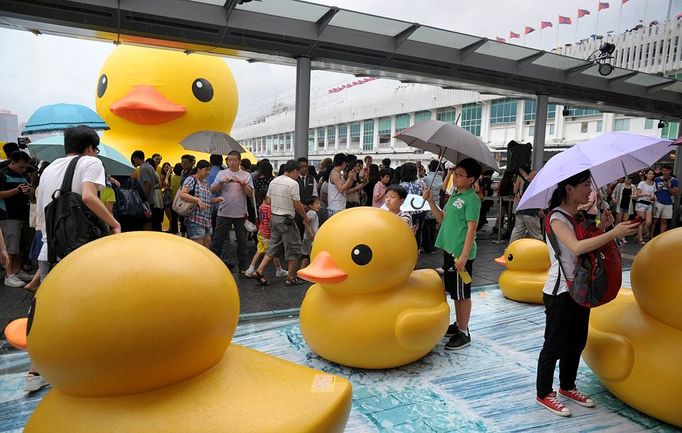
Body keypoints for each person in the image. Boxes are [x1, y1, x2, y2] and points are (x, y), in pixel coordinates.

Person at [535, 169, 639, 416]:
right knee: (554, 344)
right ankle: (543, 393)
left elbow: (587, 239)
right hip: (560, 291)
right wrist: (612, 233)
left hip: (581, 289)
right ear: (569, 189)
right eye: (584, 185)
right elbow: (576, 246)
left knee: (577, 341)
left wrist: (604, 226)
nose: (589, 190)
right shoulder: (557, 218)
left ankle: (567, 386)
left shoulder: (576, 216)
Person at [32, 125, 121, 392]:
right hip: (81, 251)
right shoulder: (91, 162)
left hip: (50, 248)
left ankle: (36, 371)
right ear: (92, 147)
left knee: (48, 310)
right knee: (94, 306)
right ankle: (95, 366)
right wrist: (114, 224)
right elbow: (88, 197)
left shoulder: (48, 169)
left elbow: (40, 211)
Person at [423, 158, 482, 351]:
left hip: (460, 254)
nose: (455, 177)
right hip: (449, 250)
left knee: (462, 293)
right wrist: (431, 201)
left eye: (459, 174)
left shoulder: (472, 200)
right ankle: (459, 325)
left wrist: (464, 256)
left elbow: (472, 230)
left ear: (471, 179)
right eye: (455, 173)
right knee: (455, 291)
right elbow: (442, 219)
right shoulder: (455, 195)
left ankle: (463, 332)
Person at [251, 159, 311, 286]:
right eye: (298, 172)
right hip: (286, 220)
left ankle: (259, 271)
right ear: (295, 170)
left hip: (275, 218)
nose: (298, 175)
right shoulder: (293, 183)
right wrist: (305, 217)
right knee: (294, 248)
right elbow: (297, 204)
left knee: (273, 247)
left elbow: (268, 200)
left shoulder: (274, 181)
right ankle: (291, 277)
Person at [210, 151, 254, 273]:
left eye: (234, 160)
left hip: (240, 213)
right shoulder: (221, 173)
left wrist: (243, 184)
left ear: (240, 161)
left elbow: (250, 194)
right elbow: (212, 190)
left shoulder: (246, 175)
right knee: (218, 240)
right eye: (229, 160)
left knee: (242, 242)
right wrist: (221, 182)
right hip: (223, 212)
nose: (232, 163)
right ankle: (212, 265)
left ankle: (244, 267)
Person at [0, 151, 33, 287]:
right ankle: (9, 275)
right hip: (8, 216)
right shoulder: (2, 173)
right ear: (12, 162)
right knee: (10, 247)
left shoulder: (25, 174)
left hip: (24, 214)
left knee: (21, 246)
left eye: (25, 167)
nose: (24, 169)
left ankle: (17, 271)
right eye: (21, 167)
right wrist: (17, 190)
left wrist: (30, 191)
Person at [180, 160, 223, 247]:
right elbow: (183, 194)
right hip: (195, 219)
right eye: (206, 170)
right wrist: (197, 200)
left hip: (206, 219)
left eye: (209, 170)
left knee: (207, 242)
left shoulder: (205, 182)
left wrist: (217, 199)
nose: (208, 172)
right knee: (199, 247)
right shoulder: (191, 179)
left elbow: (207, 199)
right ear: (199, 169)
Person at [244, 196, 288, 278]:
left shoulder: (261, 207)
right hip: (268, 234)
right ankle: (278, 270)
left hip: (261, 233)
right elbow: (271, 219)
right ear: (265, 197)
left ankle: (251, 268)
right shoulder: (268, 208)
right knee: (273, 253)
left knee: (259, 251)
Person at [508, 164, 543, 244]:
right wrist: (540, 209)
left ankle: (510, 250)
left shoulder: (526, 183)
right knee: (536, 236)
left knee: (517, 233)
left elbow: (515, 191)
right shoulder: (536, 185)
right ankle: (541, 252)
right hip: (531, 213)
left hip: (521, 210)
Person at [421, 160, 444, 253]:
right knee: (433, 226)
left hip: (428, 203)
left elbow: (423, 188)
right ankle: (433, 245)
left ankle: (427, 246)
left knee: (426, 227)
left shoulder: (427, 179)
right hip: (436, 203)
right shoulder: (440, 178)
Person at [651, 165, 678, 237]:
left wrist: (668, 187)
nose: (665, 172)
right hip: (658, 201)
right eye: (663, 170)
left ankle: (661, 238)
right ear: (661, 171)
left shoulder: (674, 180)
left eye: (667, 170)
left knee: (664, 221)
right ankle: (651, 237)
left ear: (670, 171)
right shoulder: (656, 179)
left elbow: (675, 193)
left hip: (668, 203)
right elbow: (653, 190)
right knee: (654, 220)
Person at [634, 168, 656, 245]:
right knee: (641, 222)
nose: (651, 175)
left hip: (649, 204)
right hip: (641, 204)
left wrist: (654, 197)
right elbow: (637, 194)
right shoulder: (642, 183)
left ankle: (638, 235)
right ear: (646, 174)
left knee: (648, 222)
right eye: (649, 174)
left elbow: (653, 193)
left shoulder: (654, 183)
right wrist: (647, 194)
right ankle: (640, 238)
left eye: (652, 174)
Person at [300, 197, 321, 269]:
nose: (319, 205)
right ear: (310, 205)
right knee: (312, 255)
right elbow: (305, 223)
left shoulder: (310, 213)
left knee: (306, 256)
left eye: (319, 203)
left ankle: (301, 274)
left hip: (307, 238)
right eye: (316, 204)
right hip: (310, 238)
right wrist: (312, 236)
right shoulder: (313, 213)